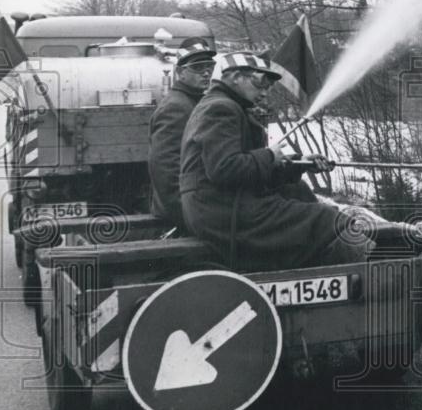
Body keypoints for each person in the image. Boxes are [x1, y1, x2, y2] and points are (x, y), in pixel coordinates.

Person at [180, 52, 366, 271]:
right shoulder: (221, 109)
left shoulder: (225, 106)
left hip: (221, 205)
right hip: (221, 211)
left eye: (268, 87)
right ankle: (376, 272)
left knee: (301, 195)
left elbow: (245, 167)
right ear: (235, 77)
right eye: (259, 83)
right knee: (326, 219)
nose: (264, 92)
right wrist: (269, 156)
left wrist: (300, 163)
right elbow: (224, 168)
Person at [147, 37, 216, 230]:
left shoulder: (192, 101)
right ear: (180, 72)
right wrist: (187, 214)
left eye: (209, 65)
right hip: (182, 211)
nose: (206, 72)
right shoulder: (176, 107)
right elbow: (165, 169)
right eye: (197, 67)